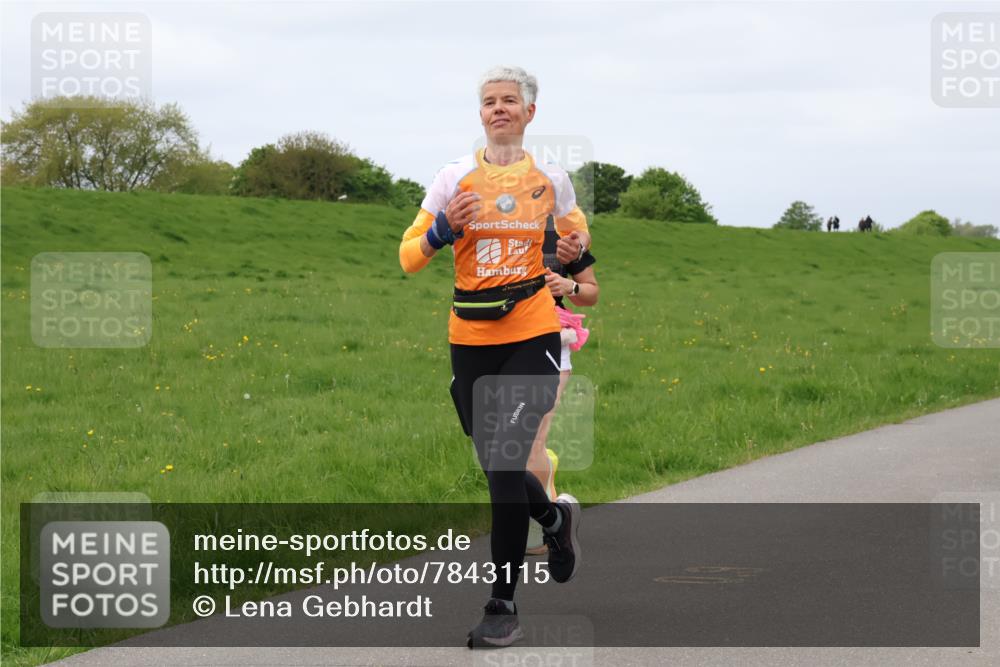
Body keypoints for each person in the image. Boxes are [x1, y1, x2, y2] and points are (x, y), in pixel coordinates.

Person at [398, 66, 591, 649]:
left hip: (532, 334)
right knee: (496, 466)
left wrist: (572, 249)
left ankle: (502, 604)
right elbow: (407, 257)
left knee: (506, 465)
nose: (498, 108)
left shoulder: (551, 179)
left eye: (509, 100)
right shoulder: (453, 178)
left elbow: (577, 243)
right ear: (479, 113)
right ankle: (554, 520)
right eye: (489, 101)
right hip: (470, 340)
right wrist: (439, 234)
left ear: (530, 112)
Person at [524, 221, 599, 555]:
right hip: (500, 341)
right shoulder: (496, 226)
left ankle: (537, 528)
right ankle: (545, 475)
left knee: (531, 439)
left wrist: (568, 285)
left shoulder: (565, 236)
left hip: (552, 343)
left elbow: (591, 293)